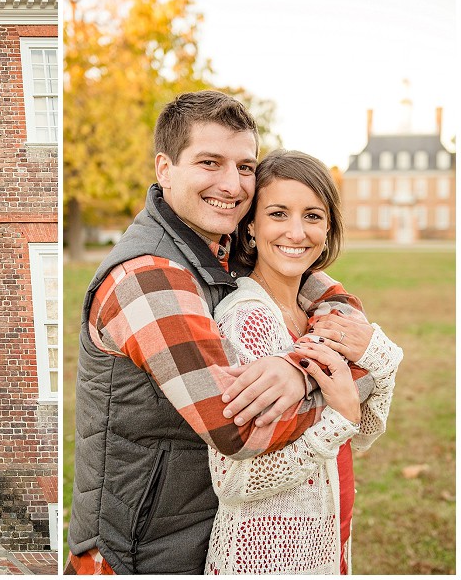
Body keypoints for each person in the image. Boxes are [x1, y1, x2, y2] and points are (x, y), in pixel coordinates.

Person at [65, 91, 379, 574]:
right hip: (139, 551)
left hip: (198, 534)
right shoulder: (148, 275)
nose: (232, 185)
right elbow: (240, 428)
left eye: (246, 167)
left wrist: (300, 371)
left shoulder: (223, 245)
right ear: (164, 168)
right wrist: (343, 393)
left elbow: (333, 301)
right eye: (209, 162)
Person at [206, 149, 402, 574]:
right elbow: (234, 482)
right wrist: (338, 419)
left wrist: (379, 354)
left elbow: (365, 431)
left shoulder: (316, 314)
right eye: (278, 213)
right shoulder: (247, 319)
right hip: (268, 553)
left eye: (312, 216)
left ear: (328, 228)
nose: (297, 232)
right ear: (251, 227)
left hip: (328, 537)